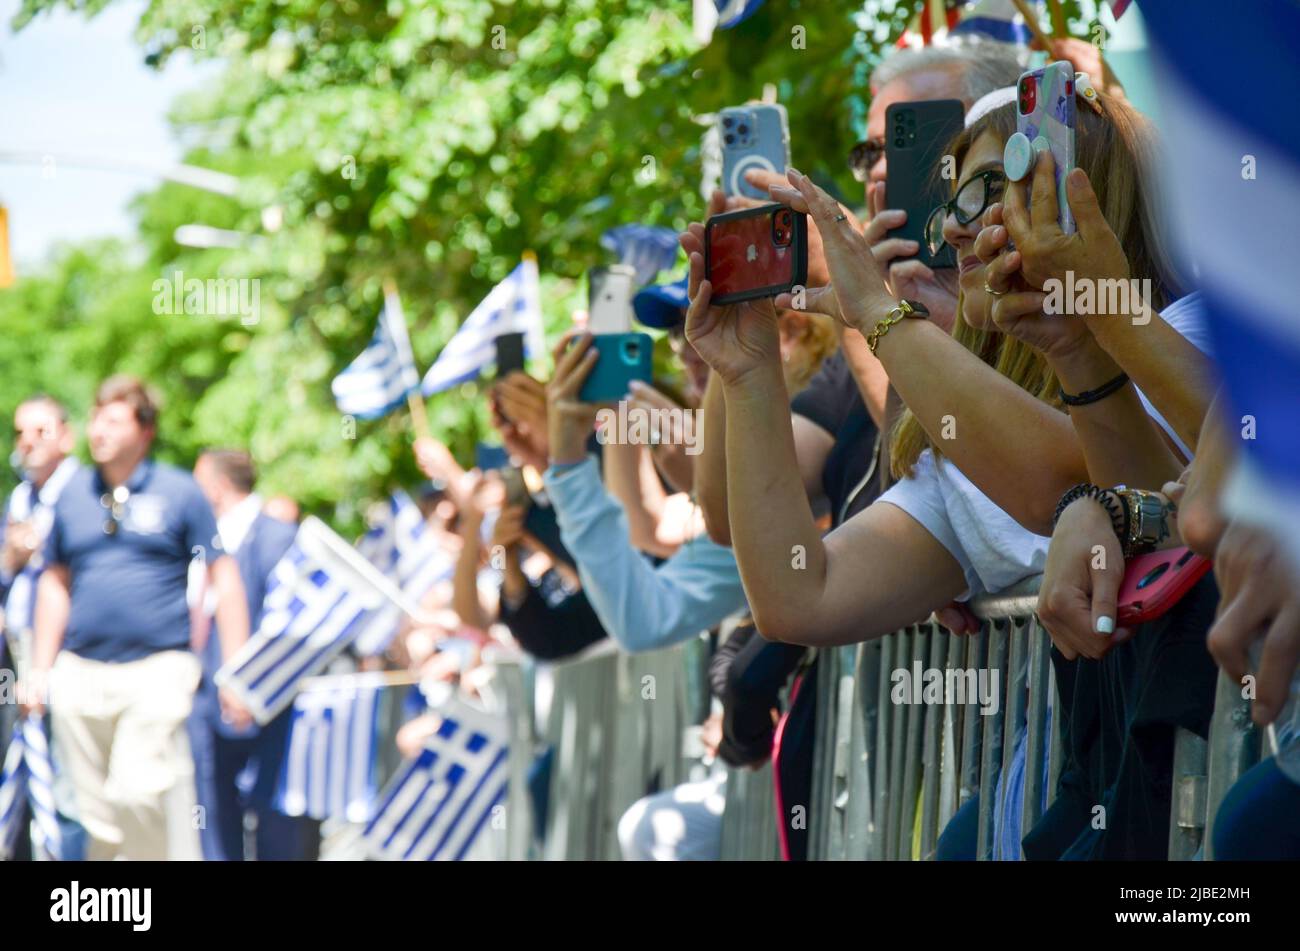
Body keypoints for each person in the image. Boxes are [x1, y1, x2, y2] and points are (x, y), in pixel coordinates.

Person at [19, 376, 252, 860]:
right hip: (80, 671)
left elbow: (223, 578)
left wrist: (237, 670)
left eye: (113, 420)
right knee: (95, 813)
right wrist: (39, 670)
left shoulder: (180, 491)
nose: (98, 430)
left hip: (158, 670)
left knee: (137, 789)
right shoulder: (72, 495)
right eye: (95, 418)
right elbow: (54, 583)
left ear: (144, 431)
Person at [188, 449, 320, 861]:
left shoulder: (276, 536)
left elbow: (285, 623)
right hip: (205, 700)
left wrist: (247, 683)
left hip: (266, 707)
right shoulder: (205, 538)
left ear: (217, 485)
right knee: (212, 816)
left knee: (272, 820)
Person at [0, 394, 83, 860]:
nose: (27, 442)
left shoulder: (85, 493)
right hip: (16, 655)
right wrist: (11, 559)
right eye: (20, 432)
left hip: (67, 654)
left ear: (66, 437)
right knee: (20, 764)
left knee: (64, 776)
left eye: (40, 431)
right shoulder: (20, 497)